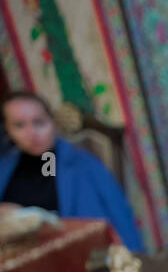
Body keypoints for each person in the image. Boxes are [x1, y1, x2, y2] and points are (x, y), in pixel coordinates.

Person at [0, 92, 143, 250]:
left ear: (52, 122)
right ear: (8, 129)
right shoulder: (6, 168)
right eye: (19, 125)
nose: (31, 134)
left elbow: (118, 218)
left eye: (39, 122)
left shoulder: (82, 165)